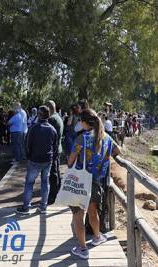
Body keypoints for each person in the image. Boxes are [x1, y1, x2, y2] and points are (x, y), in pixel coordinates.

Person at [68, 108, 120, 260]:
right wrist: (103, 159)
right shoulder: (105, 137)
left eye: (80, 121)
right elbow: (118, 151)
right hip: (96, 181)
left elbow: (70, 161)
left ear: (84, 123)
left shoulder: (80, 139)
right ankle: (97, 237)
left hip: (80, 182)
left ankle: (83, 249)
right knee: (92, 211)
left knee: (78, 215)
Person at [16, 106, 57, 215]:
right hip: (47, 160)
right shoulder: (52, 129)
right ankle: (43, 207)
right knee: (45, 183)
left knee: (29, 183)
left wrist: (29, 156)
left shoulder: (33, 128)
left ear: (39, 115)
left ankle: (26, 207)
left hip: (34, 160)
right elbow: (55, 146)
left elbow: (27, 144)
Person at [46, 100, 64, 205]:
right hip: (58, 148)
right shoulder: (58, 117)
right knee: (56, 172)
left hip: (54, 149)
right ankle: (58, 192)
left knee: (53, 174)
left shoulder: (52, 119)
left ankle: (52, 197)